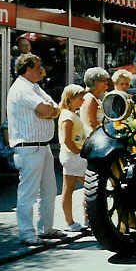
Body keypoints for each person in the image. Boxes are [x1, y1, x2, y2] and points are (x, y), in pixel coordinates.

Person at [7, 53, 63, 245]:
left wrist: (49, 112)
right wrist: (48, 112)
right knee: (28, 193)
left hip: (42, 145)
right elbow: (48, 110)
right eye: (38, 66)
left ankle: (45, 228)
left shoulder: (35, 87)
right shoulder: (22, 88)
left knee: (49, 190)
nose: (41, 70)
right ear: (28, 68)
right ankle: (26, 233)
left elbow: (55, 108)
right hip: (28, 147)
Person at [57, 85, 88, 232]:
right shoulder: (68, 117)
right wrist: (78, 152)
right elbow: (67, 140)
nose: (82, 101)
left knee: (71, 188)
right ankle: (77, 221)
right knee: (88, 187)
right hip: (74, 156)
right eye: (80, 98)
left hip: (73, 156)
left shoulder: (70, 114)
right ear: (70, 99)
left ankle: (77, 221)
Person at [80, 67, 110, 136]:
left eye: (106, 80)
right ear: (94, 82)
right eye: (103, 80)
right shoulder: (90, 98)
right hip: (94, 138)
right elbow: (92, 123)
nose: (106, 83)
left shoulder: (96, 98)